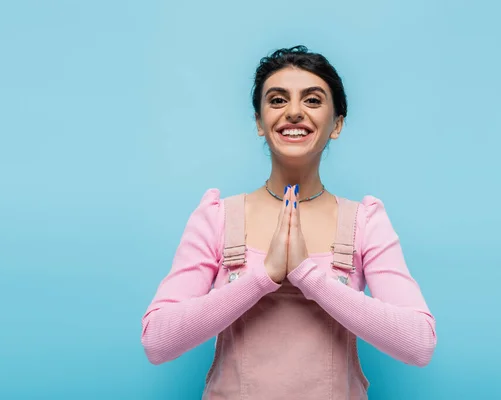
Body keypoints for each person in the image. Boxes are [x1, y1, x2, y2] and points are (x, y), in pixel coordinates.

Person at [141, 45, 437, 399]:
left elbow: (419, 344)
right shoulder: (218, 217)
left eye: (312, 100)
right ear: (259, 123)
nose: (294, 112)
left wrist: (308, 277)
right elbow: (157, 341)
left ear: (337, 124)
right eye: (278, 100)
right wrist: (261, 278)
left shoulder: (365, 222)